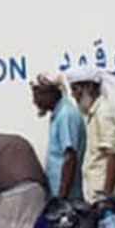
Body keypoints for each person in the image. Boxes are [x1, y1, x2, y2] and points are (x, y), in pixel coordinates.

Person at [67, 66, 115, 228]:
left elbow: (114, 153)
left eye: (76, 89)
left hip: (104, 201)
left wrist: (106, 196)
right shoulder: (93, 113)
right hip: (96, 200)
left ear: (89, 88)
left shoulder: (104, 112)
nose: (73, 95)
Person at [32, 72, 85, 202]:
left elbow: (70, 157)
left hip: (68, 198)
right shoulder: (59, 114)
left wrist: (62, 198)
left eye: (38, 95)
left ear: (52, 93)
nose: (35, 101)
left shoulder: (66, 115)